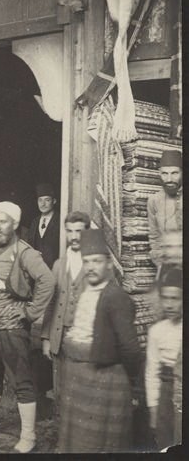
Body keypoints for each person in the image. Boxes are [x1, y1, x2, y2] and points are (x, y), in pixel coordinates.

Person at [0, 201, 54, 453]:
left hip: (12, 330)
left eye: (3, 222)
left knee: (22, 383)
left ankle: (28, 436)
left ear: (15, 224)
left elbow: (47, 281)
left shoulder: (25, 252)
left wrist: (30, 313)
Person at [55, 229, 143, 453]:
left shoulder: (116, 297)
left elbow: (130, 348)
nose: (91, 267)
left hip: (105, 380)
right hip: (80, 378)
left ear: (109, 265)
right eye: (87, 262)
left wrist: (131, 382)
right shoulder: (87, 292)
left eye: (97, 261)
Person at [41, 211, 91, 399]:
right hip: (59, 336)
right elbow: (51, 303)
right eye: (69, 231)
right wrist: (46, 337)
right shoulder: (59, 265)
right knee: (60, 389)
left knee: (82, 390)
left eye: (79, 231)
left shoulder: (96, 264)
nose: (74, 237)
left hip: (85, 340)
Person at [145, 267, 182, 451]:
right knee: (166, 443)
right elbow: (152, 372)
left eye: (175, 299)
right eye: (165, 298)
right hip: (166, 394)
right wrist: (154, 409)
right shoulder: (157, 331)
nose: (169, 305)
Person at [147, 150, 182, 270]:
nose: (169, 179)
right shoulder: (154, 201)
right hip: (167, 267)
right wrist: (161, 266)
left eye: (174, 173)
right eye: (164, 174)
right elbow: (154, 237)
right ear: (159, 174)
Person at [26, 183, 60, 269]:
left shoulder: (60, 220)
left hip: (54, 269)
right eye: (40, 200)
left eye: (47, 200)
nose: (43, 204)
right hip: (36, 270)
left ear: (54, 201)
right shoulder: (35, 222)